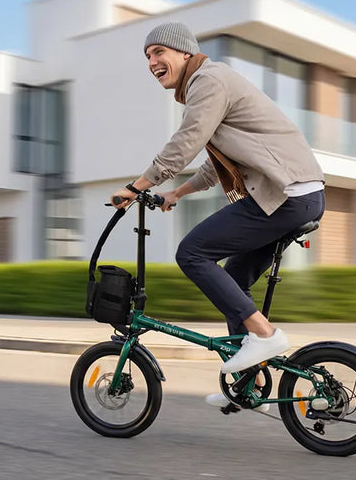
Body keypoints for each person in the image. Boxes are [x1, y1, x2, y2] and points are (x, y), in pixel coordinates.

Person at [110, 22, 325, 409]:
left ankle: (264, 336)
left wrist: (137, 186)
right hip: (297, 195)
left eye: (159, 52)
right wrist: (175, 192)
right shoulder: (211, 83)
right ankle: (250, 384)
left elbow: (187, 141)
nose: (152, 62)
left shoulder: (207, 81)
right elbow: (215, 164)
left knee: (191, 253)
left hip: (286, 195)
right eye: (147, 56)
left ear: (185, 52)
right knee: (235, 281)